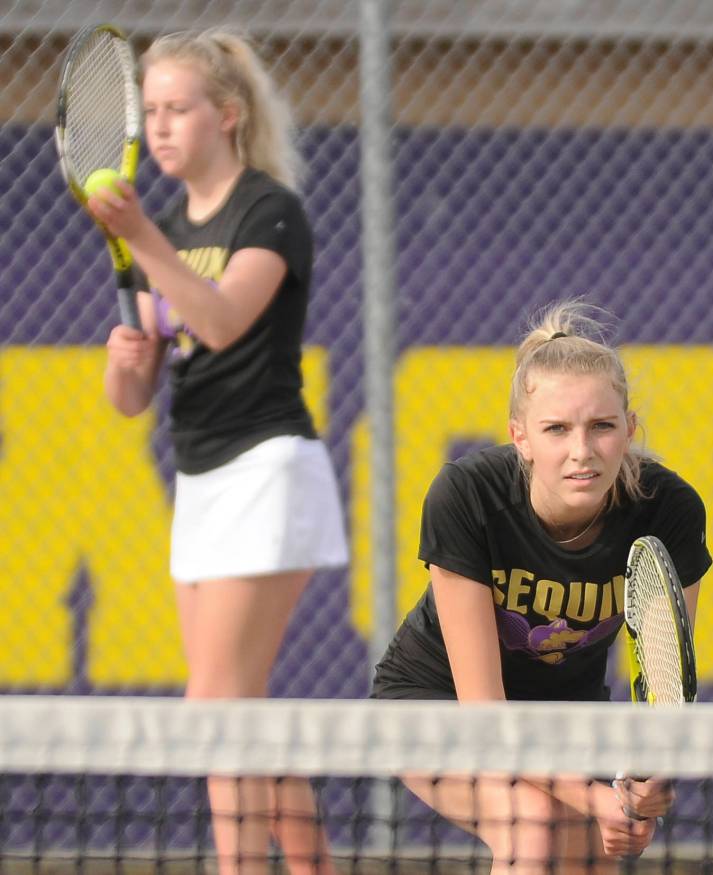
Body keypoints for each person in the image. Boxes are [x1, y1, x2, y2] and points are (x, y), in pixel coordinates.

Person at [91, 29, 345, 875]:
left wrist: (142, 241)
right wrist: (125, 367)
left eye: (177, 109)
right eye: (150, 112)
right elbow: (135, 397)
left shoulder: (269, 210)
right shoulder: (158, 225)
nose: (159, 128)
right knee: (239, 707)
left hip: (269, 468)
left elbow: (226, 318)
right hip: (198, 480)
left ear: (228, 115)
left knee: (216, 704)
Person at [372, 301, 712, 874]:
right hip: (438, 705)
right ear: (520, 437)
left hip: (564, 717)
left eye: (602, 426)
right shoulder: (468, 498)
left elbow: (664, 687)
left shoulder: (669, 511)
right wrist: (595, 797)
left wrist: (650, 783)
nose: (582, 451)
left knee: (593, 856)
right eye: (556, 429)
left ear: (629, 430)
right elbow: (484, 713)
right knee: (530, 826)